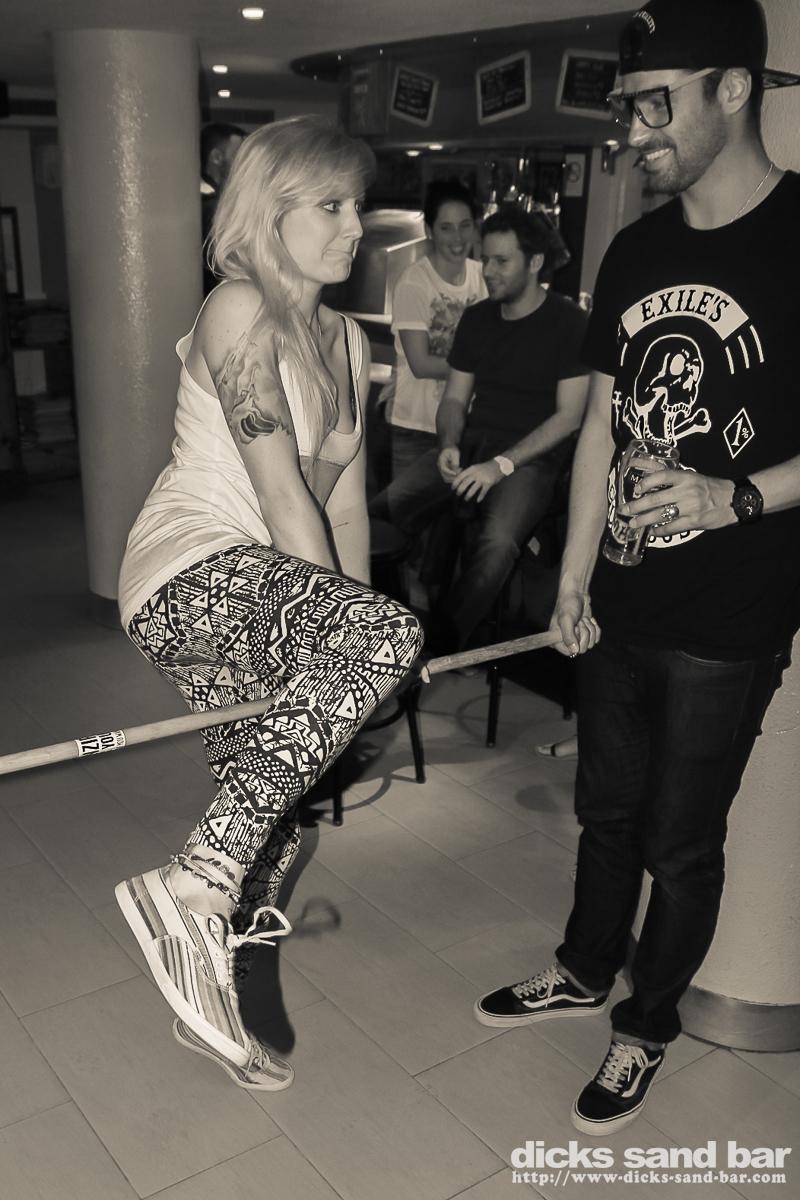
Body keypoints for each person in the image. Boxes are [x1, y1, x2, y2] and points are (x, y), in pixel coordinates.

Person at [475, 0, 800, 1137]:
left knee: (680, 841)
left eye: (654, 103)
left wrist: (732, 494)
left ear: (732, 87)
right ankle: (581, 968)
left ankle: (646, 1024)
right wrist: (570, 575)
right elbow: (603, 429)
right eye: (625, 107)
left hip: (732, 615)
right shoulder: (635, 249)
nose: (633, 131)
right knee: (604, 813)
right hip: (619, 596)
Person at [116, 116, 422, 1090]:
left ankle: (208, 993)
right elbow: (282, 491)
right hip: (191, 572)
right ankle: (190, 889)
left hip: (271, 593)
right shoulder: (238, 307)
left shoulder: (349, 344)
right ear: (265, 212)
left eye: (357, 205)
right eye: (329, 205)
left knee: (277, 825)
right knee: (377, 637)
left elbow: (343, 505)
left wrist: (358, 644)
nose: (355, 227)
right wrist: (358, 637)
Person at [374, 205, 589, 652]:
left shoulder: (569, 322)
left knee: (497, 544)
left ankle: (436, 651)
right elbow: (455, 399)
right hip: (473, 445)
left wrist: (502, 465)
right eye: (485, 259)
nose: (487, 271)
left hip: (532, 460)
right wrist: (449, 444)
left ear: (534, 262)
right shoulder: (477, 318)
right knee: (379, 515)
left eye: (501, 261)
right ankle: (379, 629)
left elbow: (569, 417)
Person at [383, 178, 486, 479]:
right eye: (446, 228)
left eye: (465, 226)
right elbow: (421, 364)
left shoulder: (484, 277)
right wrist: (485, 367)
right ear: (429, 230)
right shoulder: (414, 282)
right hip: (415, 427)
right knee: (407, 509)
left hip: (466, 426)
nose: (458, 238)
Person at [200, 122, 244, 295]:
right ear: (217, 157)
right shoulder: (208, 204)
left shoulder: (220, 200)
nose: (246, 163)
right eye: (239, 155)